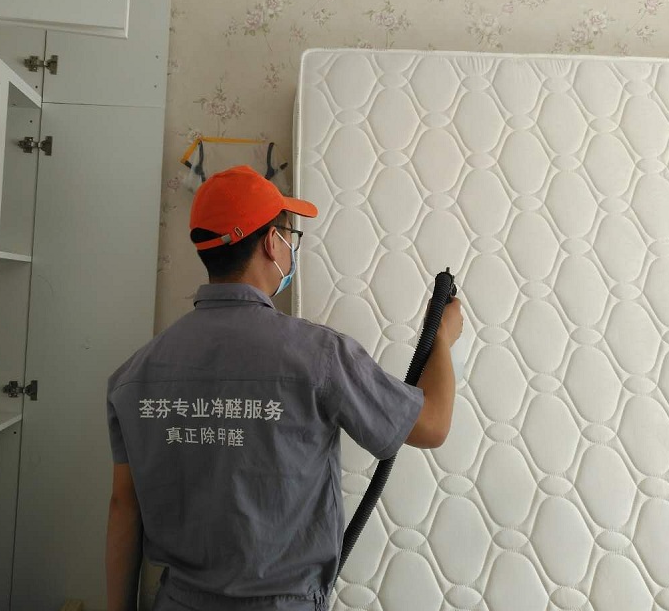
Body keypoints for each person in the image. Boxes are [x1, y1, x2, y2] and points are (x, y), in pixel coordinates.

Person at [105, 165, 463, 611]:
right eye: (290, 234)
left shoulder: (133, 375)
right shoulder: (319, 355)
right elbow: (431, 425)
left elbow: (124, 507)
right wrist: (441, 340)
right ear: (271, 242)